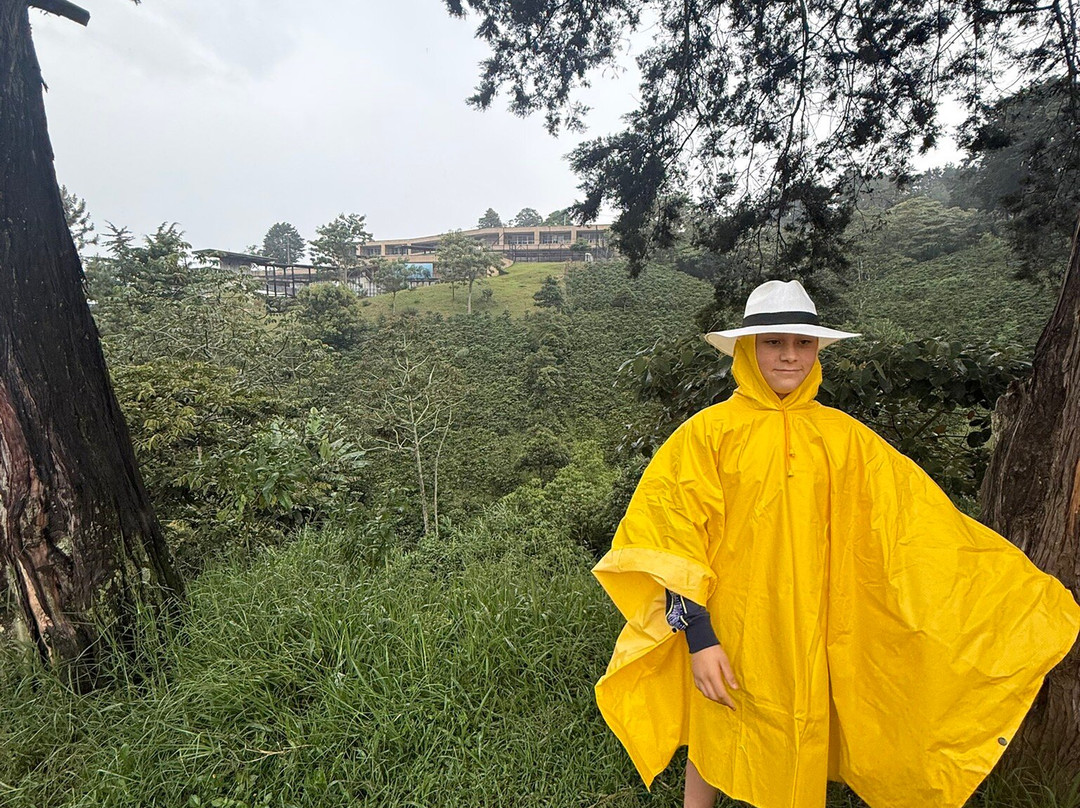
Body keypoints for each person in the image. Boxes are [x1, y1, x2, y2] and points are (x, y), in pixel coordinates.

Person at [593, 280, 1080, 808]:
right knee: (715, 721)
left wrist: (1021, 598)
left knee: (798, 725)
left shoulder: (844, 437)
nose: (789, 355)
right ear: (746, 350)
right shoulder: (706, 435)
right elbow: (671, 543)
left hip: (814, 621)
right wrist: (700, 637)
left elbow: (916, 524)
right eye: (773, 342)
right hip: (735, 619)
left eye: (802, 343)